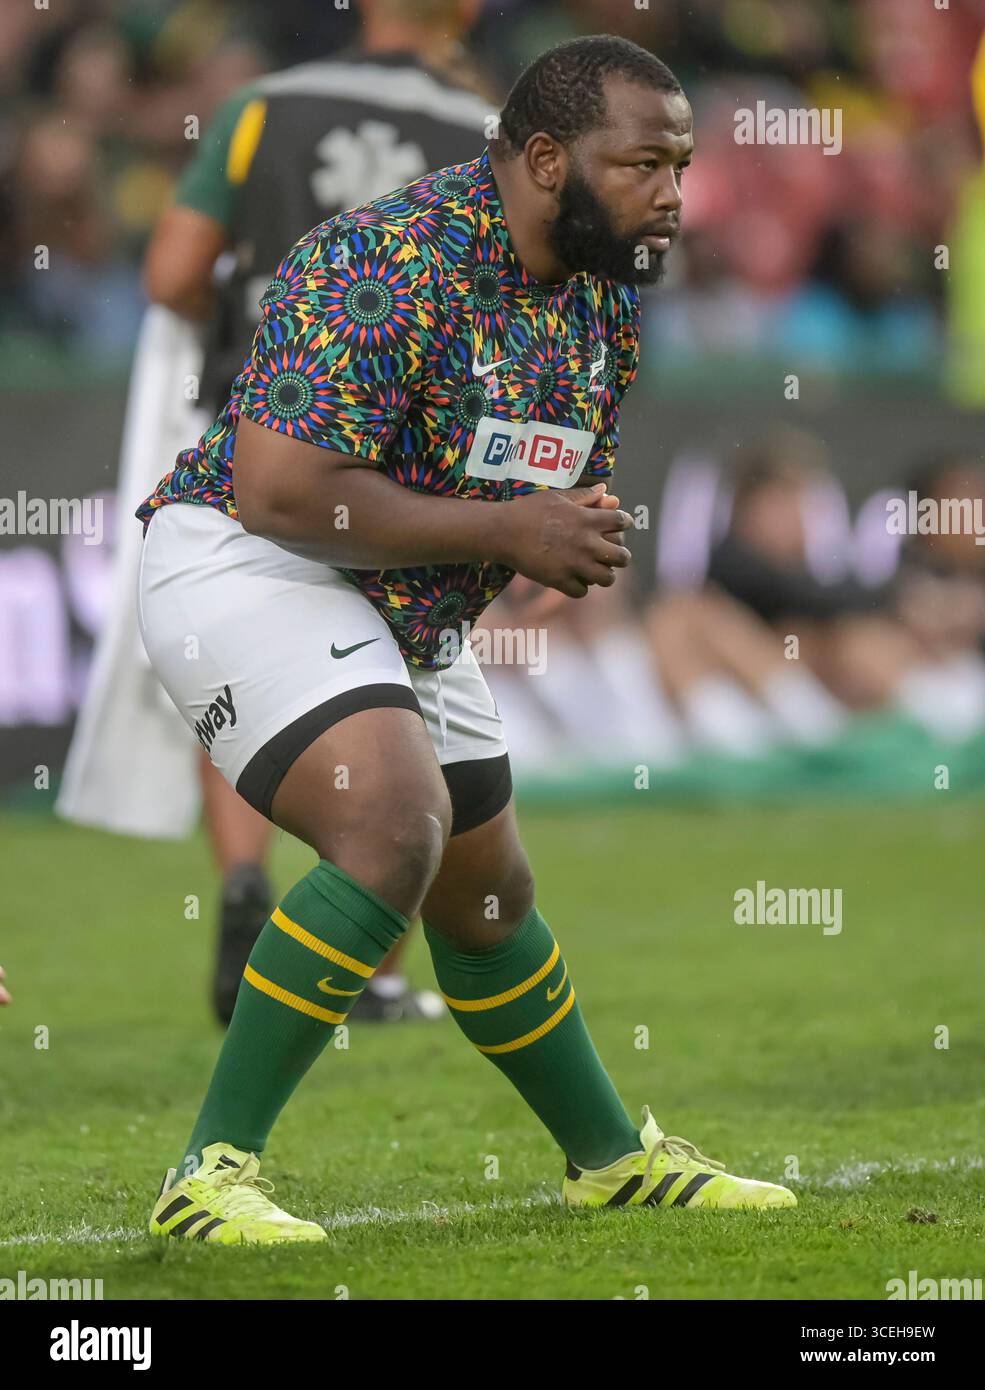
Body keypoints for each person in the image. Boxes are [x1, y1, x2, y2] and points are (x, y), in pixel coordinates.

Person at [137, 35, 796, 1245]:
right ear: (545, 159)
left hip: (401, 599)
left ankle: (607, 1159)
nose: (672, 194)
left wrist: (552, 542)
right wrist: (508, 525)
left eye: (681, 164)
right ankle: (207, 1176)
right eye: (644, 162)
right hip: (249, 560)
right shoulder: (380, 259)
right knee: (394, 826)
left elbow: (544, 470)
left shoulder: (604, 291)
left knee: (487, 897)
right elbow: (284, 489)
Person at [61, 0, 492, 1025]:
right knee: (387, 686)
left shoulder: (262, 107)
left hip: (252, 440)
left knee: (251, 667)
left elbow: (169, 273)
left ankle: (247, 893)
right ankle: (361, 954)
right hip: (403, 462)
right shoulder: (488, 137)